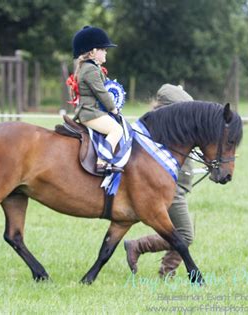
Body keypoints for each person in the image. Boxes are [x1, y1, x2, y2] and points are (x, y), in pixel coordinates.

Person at [124, 83, 195, 278]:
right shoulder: (160, 131)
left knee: (185, 232)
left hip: (178, 189)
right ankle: (138, 247)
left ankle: (167, 270)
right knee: (185, 234)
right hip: (172, 192)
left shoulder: (173, 128)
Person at [71, 26, 124, 174]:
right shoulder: (90, 70)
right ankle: (102, 162)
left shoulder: (92, 68)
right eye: (103, 49)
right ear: (93, 52)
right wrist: (114, 109)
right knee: (116, 129)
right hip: (90, 112)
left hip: (93, 111)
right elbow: (102, 93)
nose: (106, 52)